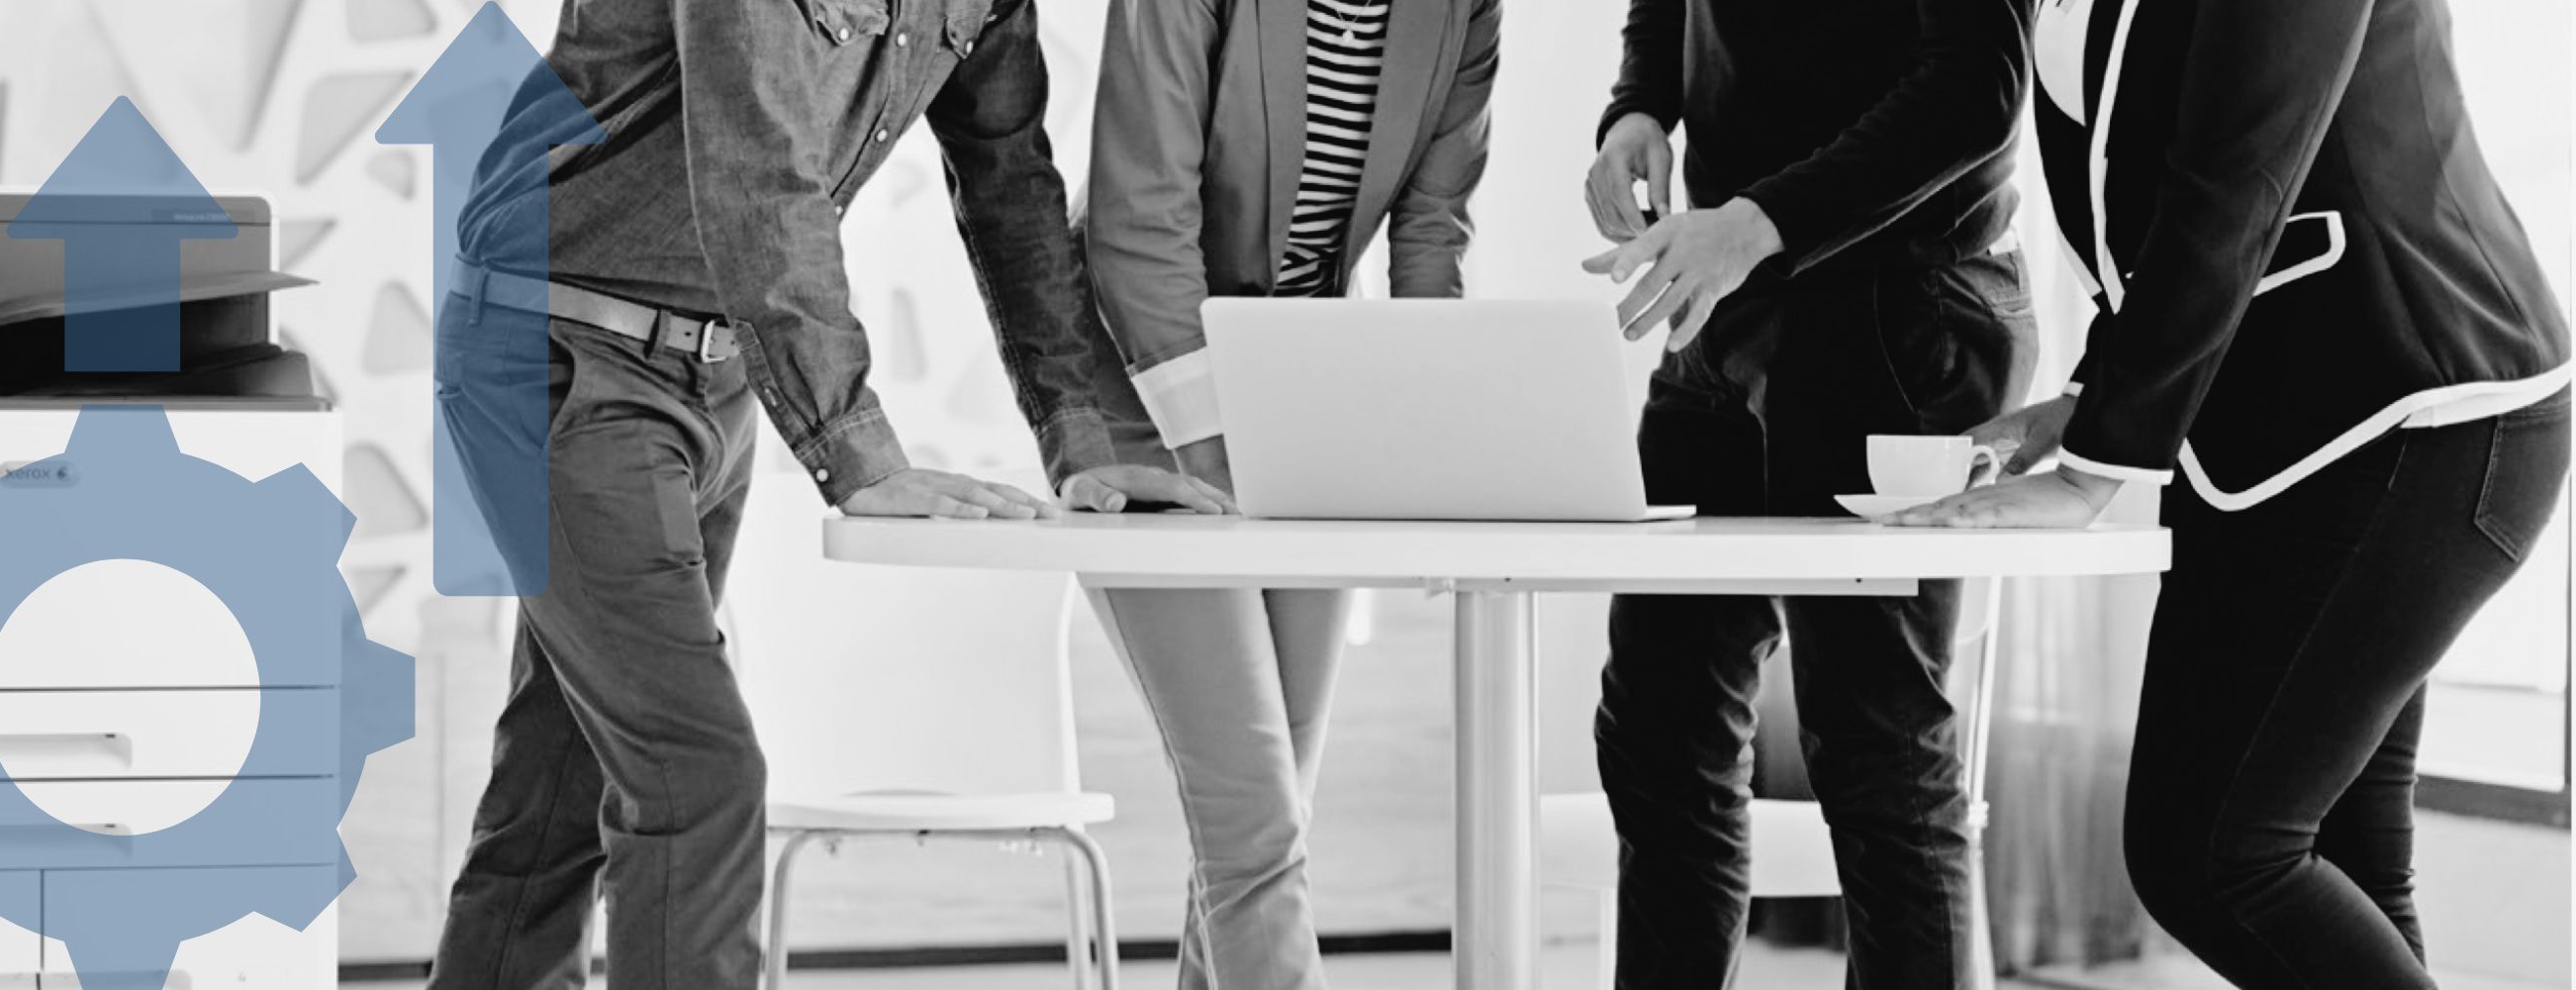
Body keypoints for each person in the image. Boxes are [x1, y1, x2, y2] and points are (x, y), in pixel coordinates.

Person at [422, 1, 1218, 987]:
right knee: (697, 774)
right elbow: (761, 167)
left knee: (562, 780)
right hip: (555, 352)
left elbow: (1010, 178)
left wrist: (1079, 441)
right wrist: (859, 454)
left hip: (718, 377)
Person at [1882, 0, 2571, 984]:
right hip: (2270, 422)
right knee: (2336, 854)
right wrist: (2085, 399)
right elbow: (2149, 191)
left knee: (2208, 852)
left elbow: (2240, 172)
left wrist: (2097, 465)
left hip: (2413, 401)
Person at [1576, 0, 2037, 984]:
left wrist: (1756, 224)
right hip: (1726, 299)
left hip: (1899, 312)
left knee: (1876, 744)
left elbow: (1979, 91)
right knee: (1659, 730)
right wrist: (1637, 109)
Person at [1076, 0, 1499, 984]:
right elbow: (1139, 216)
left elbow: (1432, 237)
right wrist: (1225, 455)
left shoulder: (1467, 9)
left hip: (1307, 383)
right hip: (1139, 380)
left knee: (1265, 819)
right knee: (1254, 822)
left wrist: (1433, 439)